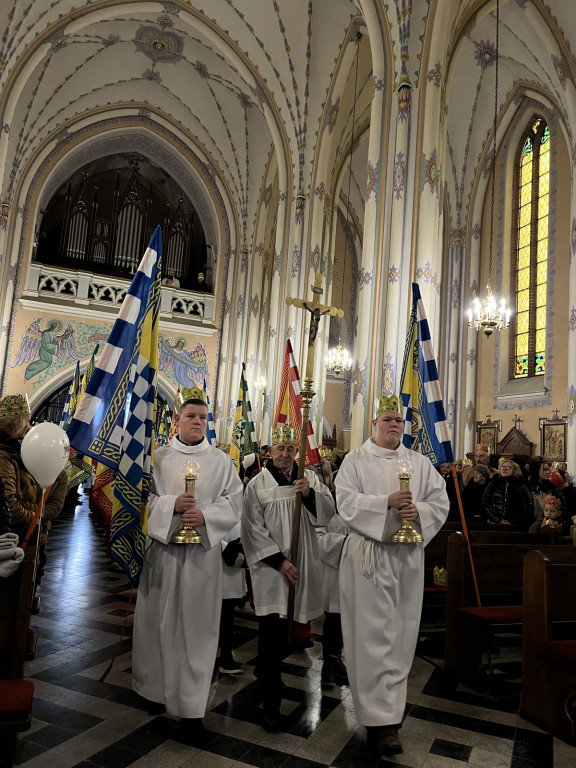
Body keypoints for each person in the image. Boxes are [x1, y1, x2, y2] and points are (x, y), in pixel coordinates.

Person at [335, 394, 449, 759]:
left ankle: (392, 720)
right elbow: (346, 502)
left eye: (398, 420)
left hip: (407, 558)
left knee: (400, 635)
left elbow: (440, 501)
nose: (394, 425)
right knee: (370, 638)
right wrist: (385, 502)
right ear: (374, 425)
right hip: (369, 556)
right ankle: (377, 722)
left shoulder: (418, 462)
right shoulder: (355, 460)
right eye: (387, 419)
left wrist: (419, 511)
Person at [132, 388, 243, 742]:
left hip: (201, 559)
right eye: (191, 416)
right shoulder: (159, 458)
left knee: (198, 631)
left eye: (203, 417)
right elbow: (141, 500)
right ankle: (154, 690)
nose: (197, 422)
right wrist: (170, 505)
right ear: (177, 419)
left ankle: (192, 709)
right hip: (163, 554)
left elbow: (235, 503)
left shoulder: (221, 461)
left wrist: (205, 515)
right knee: (157, 623)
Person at [241, 425, 336, 732]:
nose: (284, 454)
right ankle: (270, 702)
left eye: (290, 449)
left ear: (297, 452)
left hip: (303, 566)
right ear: (270, 452)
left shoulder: (309, 480)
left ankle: (268, 675)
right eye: (279, 449)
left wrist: (309, 494)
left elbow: (328, 514)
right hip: (272, 571)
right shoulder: (258, 484)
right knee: (270, 635)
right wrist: (279, 561)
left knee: (288, 635)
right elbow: (251, 530)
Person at [0, 394, 42, 543]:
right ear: (16, 424)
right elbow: (9, 506)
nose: (29, 426)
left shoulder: (12, 451)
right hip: (12, 537)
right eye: (27, 421)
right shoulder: (3, 456)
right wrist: (34, 519)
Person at [481, 459, 534, 528]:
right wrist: (498, 519)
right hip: (495, 523)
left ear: (515, 470)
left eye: (508, 467)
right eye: (502, 467)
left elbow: (527, 507)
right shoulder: (494, 483)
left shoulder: (521, 485)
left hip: (515, 524)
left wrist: (513, 521)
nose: (505, 469)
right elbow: (485, 502)